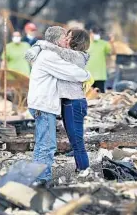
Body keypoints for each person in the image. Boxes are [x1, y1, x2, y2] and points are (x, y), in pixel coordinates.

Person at [25, 26, 92, 186]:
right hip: (43, 105)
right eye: (64, 38)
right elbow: (71, 72)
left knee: (44, 143)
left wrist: (38, 45)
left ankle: (40, 176)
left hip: (44, 104)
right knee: (47, 144)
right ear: (57, 40)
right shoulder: (50, 57)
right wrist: (87, 75)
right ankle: (42, 179)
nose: (66, 41)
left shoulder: (50, 54)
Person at [86, 27, 116, 93]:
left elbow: (113, 53)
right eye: (95, 33)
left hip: (100, 76)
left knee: (100, 96)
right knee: (88, 97)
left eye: (98, 33)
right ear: (91, 33)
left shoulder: (104, 44)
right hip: (87, 76)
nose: (97, 35)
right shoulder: (85, 44)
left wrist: (112, 43)